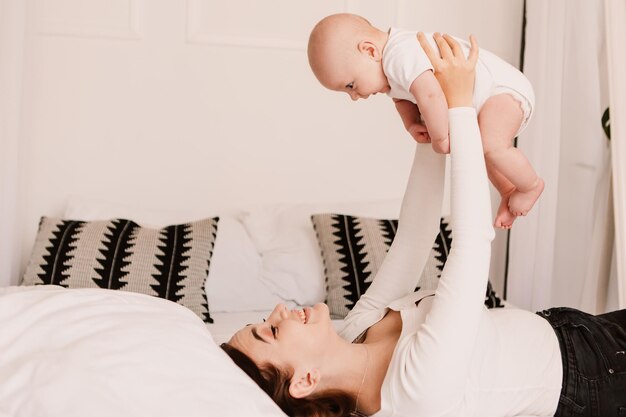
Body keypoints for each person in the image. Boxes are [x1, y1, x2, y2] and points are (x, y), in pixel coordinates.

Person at [222, 34, 626, 417]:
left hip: (575, 332)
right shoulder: (414, 391)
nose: (276, 311)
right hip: (599, 379)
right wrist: (459, 104)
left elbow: (414, 236)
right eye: (272, 332)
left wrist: (430, 125)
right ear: (306, 381)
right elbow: (470, 245)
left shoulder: (357, 331)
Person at [307, 13, 543, 229]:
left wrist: (440, 137)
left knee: (493, 146)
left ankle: (530, 185)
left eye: (351, 86)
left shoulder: (400, 55)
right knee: (483, 149)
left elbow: (431, 95)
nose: (354, 97)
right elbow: (402, 101)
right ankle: (507, 189)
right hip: (489, 99)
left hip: (502, 90)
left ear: (370, 51)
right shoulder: (391, 72)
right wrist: (411, 123)